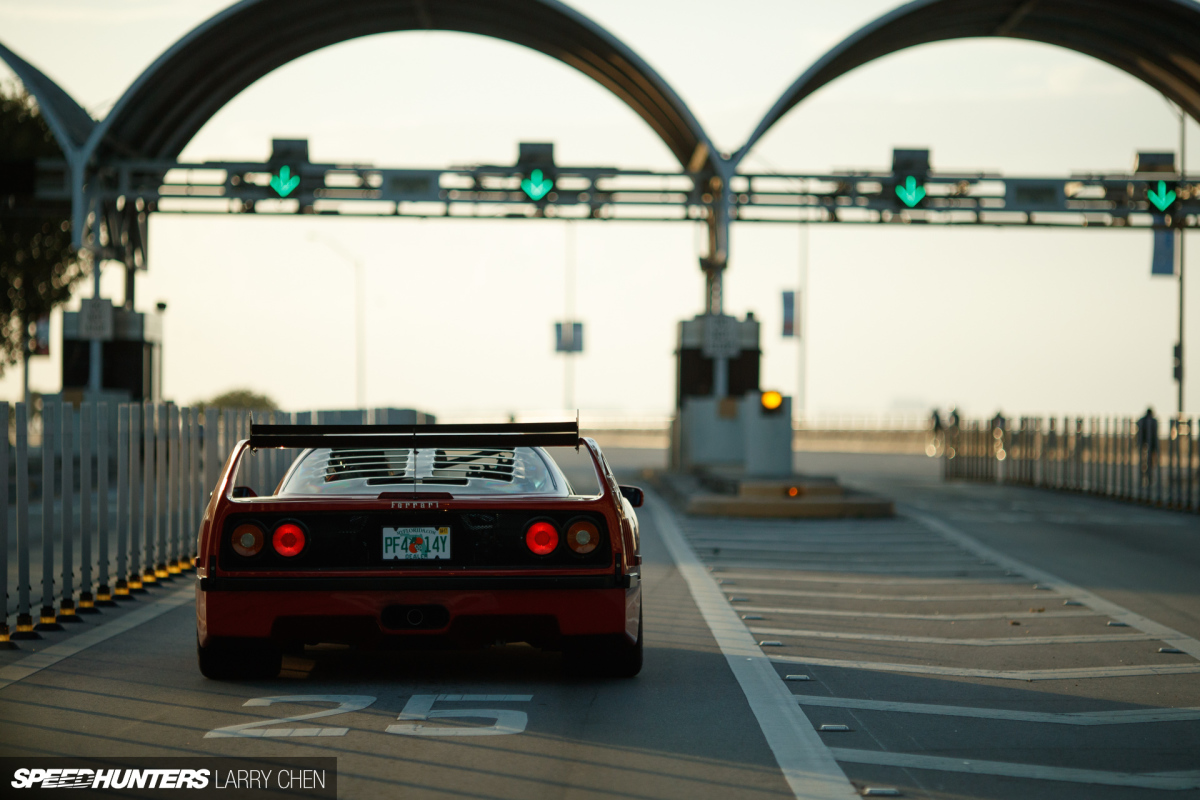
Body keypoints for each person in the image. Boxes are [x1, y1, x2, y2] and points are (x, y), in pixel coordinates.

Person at [1136, 407, 1160, 488]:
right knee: (1148, 462)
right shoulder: (1153, 421)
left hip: (1145, 444)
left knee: (1146, 462)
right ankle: (1147, 478)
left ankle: (1145, 478)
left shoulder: (1142, 420)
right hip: (1148, 444)